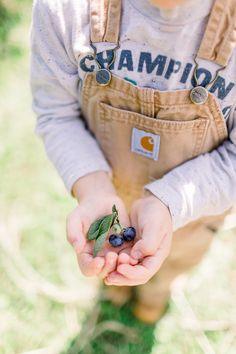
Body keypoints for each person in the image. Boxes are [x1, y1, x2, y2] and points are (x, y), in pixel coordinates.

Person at [30, 0, 236, 323]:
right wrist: (93, 188)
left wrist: (169, 202)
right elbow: (57, 114)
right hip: (107, 199)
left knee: (168, 269)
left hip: (192, 215)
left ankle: (155, 300)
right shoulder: (65, 10)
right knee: (114, 266)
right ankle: (114, 288)